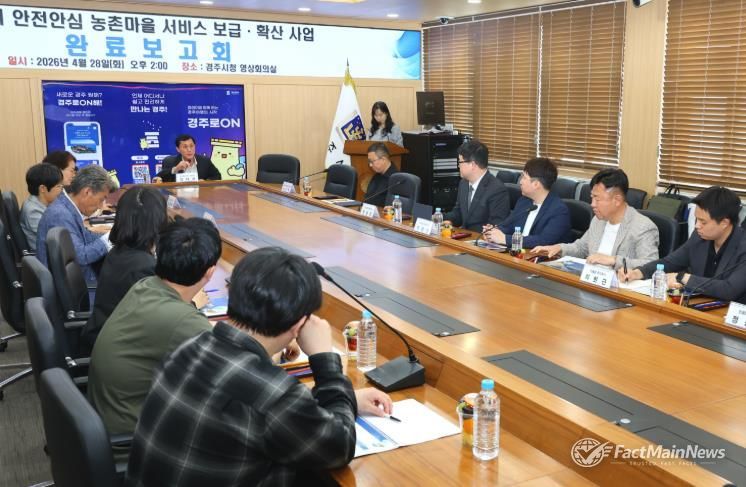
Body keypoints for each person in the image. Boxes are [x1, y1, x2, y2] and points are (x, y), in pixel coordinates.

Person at [125, 247, 392, 487]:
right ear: (299, 325)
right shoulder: (274, 396)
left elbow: (247, 408)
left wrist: (347, 400)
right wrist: (325, 360)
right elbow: (338, 446)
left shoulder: (190, 347)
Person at [88, 217, 221, 462]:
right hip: (131, 445)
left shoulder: (146, 284)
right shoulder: (184, 322)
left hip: (104, 424)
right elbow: (234, 374)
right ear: (210, 272)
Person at [79, 186, 169, 354]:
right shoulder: (143, 267)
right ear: (158, 220)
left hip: (104, 337)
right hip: (118, 350)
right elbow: (162, 323)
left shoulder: (120, 251)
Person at [620, 186, 746, 303]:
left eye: (703, 222)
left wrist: (682, 277)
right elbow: (670, 262)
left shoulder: (743, 246)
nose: (697, 226)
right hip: (698, 306)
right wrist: (639, 272)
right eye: (696, 219)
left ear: (724, 223)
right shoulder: (699, 237)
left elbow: (729, 290)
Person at [532, 168, 659, 270]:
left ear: (617, 200)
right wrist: (559, 248)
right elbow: (582, 248)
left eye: (597, 199)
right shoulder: (599, 220)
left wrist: (614, 260)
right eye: (592, 197)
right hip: (591, 281)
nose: (592, 204)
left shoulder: (643, 227)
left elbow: (651, 264)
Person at [35, 165, 115, 282]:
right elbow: (81, 256)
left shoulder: (67, 207)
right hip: (79, 286)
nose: (100, 206)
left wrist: (115, 236)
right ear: (87, 192)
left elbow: (86, 237)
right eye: (101, 199)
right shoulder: (60, 215)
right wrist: (109, 239)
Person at [484, 157, 571, 247]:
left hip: (539, 255)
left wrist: (505, 239)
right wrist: (494, 232)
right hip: (518, 252)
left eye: (524, 178)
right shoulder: (524, 201)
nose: (520, 182)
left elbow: (544, 240)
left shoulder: (559, 210)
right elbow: (509, 226)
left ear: (536, 184)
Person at [444, 139, 510, 232]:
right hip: (464, 237)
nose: (458, 166)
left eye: (460, 162)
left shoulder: (497, 190)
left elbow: (496, 226)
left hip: (481, 239)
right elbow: (458, 213)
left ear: (472, 165)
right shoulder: (463, 183)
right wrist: (446, 219)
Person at [20, 163, 64, 252]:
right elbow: (54, 238)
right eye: (59, 186)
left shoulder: (42, 204)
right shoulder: (33, 211)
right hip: (47, 256)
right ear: (43, 189)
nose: (61, 190)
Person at [152, 134, 221, 183]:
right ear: (178, 149)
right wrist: (176, 169)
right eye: (185, 147)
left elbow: (217, 176)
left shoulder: (204, 161)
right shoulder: (170, 161)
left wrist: (205, 182)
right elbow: (160, 177)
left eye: (191, 146)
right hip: (177, 197)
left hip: (200, 196)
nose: (189, 150)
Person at [364, 142, 399, 206]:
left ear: (383, 159)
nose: (370, 165)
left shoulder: (396, 180)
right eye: (369, 161)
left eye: (372, 161)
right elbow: (368, 198)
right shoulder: (376, 176)